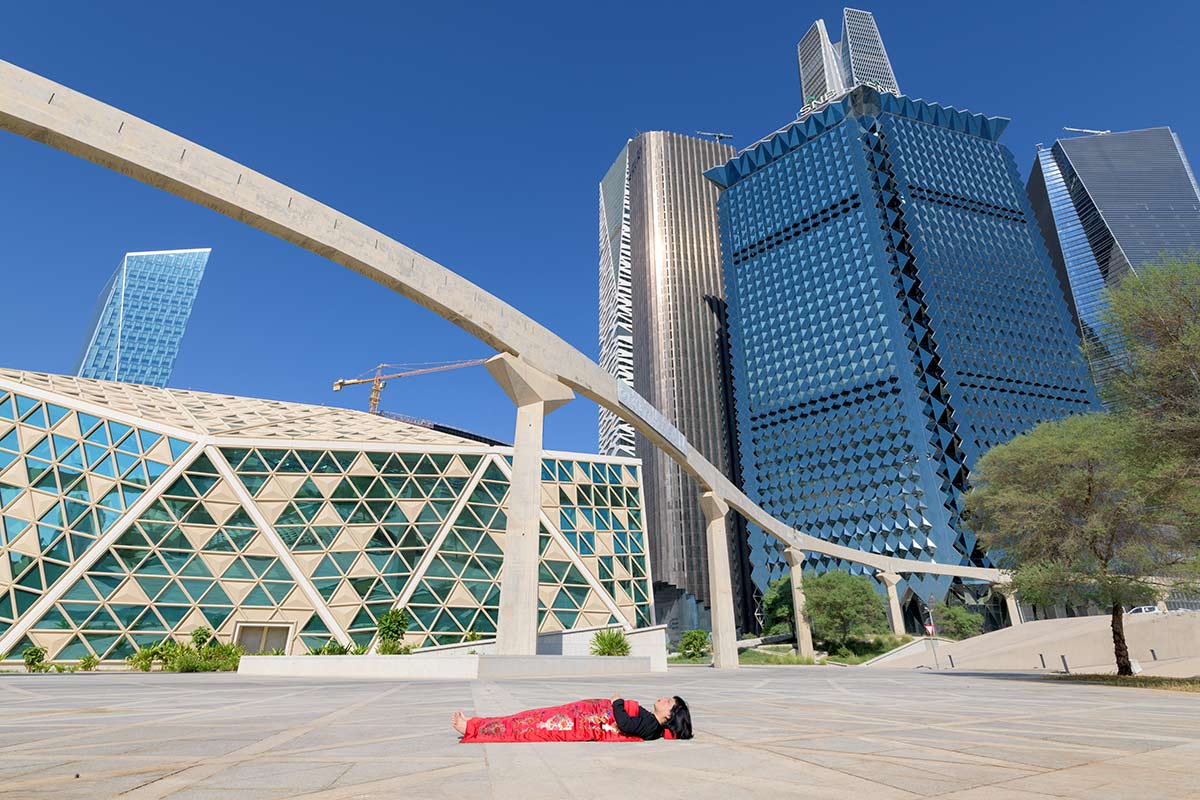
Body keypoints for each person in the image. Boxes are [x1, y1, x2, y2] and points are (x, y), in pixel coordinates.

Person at [452, 694, 692, 743]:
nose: (663, 699)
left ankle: (473, 728)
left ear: (670, 715)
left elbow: (625, 723)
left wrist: (618, 702)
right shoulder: (651, 724)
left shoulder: (651, 725)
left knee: (528, 725)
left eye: (669, 702)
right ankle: (477, 724)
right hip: (579, 716)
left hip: (578, 723)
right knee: (527, 719)